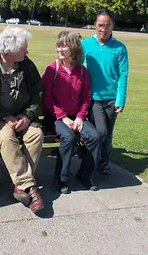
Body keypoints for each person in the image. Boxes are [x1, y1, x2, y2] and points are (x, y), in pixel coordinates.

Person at [0, 26, 45, 214]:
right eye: (23, 48)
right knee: (6, 138)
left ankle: (20, 186)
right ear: (9, 51)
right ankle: (30, 188)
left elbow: (38, 93)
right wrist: (5, 117)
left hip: (23, 115)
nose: (27, 51)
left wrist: (27, 115)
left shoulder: (27, 65)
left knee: (36, 135)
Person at [42, 30, 101, 194]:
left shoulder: (82, 71)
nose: (60, 50)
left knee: (95, 137)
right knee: (68, 137)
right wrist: (63, 118)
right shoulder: (51, 69)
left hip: (77, 117)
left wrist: (81, 117)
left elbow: (86, 98)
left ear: (74, 49)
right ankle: (61, 179)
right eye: (58, 46)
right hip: (55, 117)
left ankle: (84, 175)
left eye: (64, 46)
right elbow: (46, 98)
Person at [82, 8, 129, 175]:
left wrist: (120, 99)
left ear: (113, 25)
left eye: (107, 25)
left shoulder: (120, 48)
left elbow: (123, 74)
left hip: (112, 99)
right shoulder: (86, 44)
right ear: (94, 25)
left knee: (108, 134)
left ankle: (104, 163)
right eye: (100, 25)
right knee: (100, 132)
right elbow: (76, 69)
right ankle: (90, 161)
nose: (103, 29)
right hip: (93, 98)